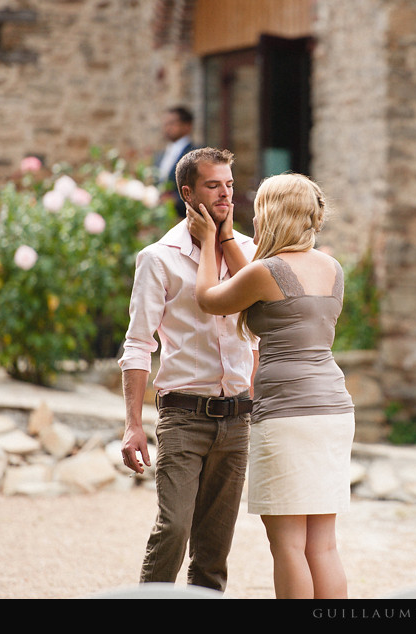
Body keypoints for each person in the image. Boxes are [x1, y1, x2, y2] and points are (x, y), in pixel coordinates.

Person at [185, 172, 355, 599]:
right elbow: (264, 291)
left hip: (287, 414)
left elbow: (210, 298)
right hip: (332, 410)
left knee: (288, 545)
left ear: (272, 214)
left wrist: (209, 241)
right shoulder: (330, 268)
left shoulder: (268, 270)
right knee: (323, 544)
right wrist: (228, 243)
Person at [119, 147, 258, 592]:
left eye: (230, 185)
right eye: (213, 185)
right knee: (174, 528)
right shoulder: (158, 259)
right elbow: (138, 344)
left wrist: (224, 242)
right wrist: (132, 424)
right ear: (187, 192)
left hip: (237, 419)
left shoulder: (249, 253)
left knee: (214, 551)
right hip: (183, 417)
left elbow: (264, 319)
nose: (225, 195)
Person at [154, 105, 196, 211]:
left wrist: (175, 199)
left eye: (172, 123)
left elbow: (198, 189)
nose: (167, 127)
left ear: (187, 126)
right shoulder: (160, 155)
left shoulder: (195, 154)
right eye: (165, 123)